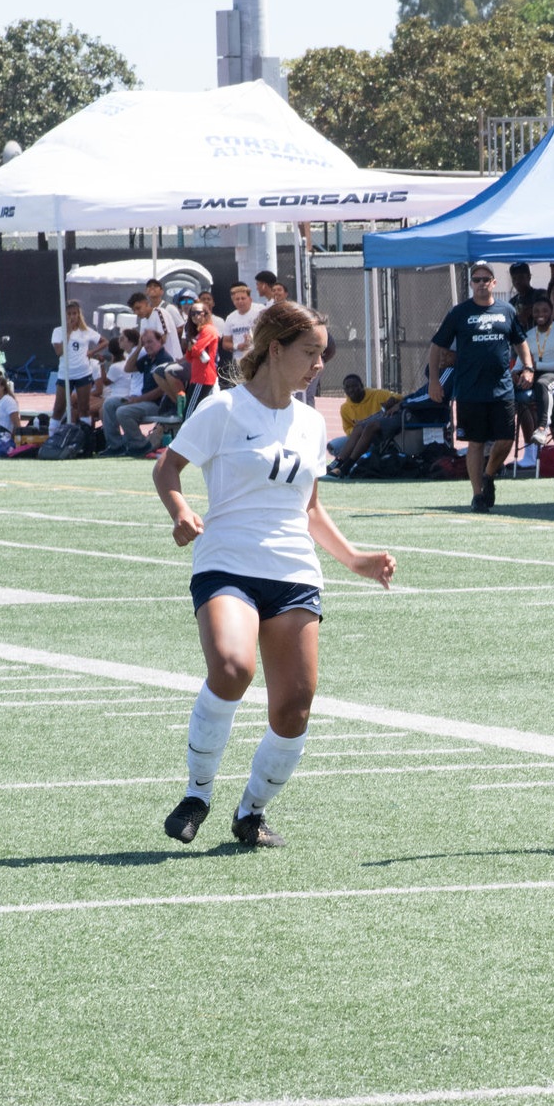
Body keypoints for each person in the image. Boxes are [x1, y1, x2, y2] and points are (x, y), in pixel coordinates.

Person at [154, 300, 396, 850]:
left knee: (294, 706)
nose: (319, 365)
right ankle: (196, 794)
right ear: (276, 348)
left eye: (323, 355)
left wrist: (356, 559)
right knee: (233, 668)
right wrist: (182, 512)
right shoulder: (221, 409)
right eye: (310, 352)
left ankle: (252, 812)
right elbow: (167, 467)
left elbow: (309, 509)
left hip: (292, 572)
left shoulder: (312, 422)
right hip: (227, 563)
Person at [427, 262, 532, 511]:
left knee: (506, 440)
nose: (482, 283)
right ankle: (478, 495)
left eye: (486, 279)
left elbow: (521, 342)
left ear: (494, 283)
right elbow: (436, 347)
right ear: (471, 284)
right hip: (470, 389)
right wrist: (434, 380)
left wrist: (527, 367)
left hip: (502, 387)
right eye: (477, 279)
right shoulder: (459, 313)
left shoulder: (506, 310)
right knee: (475, 443)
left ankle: (489, 475)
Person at [521, 294, 554, 441]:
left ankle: (542, 428)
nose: (540, 314)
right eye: (536, 311)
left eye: (544, 310)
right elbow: (521, 362)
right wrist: (515, 372)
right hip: (535, 372)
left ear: (551, 312)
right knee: (510, 386)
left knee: (542, 383)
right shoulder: (529, 335)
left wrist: (536, 365)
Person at [52, 301, 103, 426]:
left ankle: (86, 435)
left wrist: (92, 352)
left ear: (79, 315)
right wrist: (68, 333)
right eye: (69, 314)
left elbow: (104, 341)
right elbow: (59, 352)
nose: (72, 317)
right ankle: (52, 435)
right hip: (65, 374)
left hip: (83, 373)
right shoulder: (58, 331)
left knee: (84, 408)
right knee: (59, 407)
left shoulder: (86, 331)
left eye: (74, 313)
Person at [330, 373, 398, 464]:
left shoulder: (377, 394)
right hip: (358, 437)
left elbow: (399, 397)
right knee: (333, 445)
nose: (351, 390)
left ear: (361, 386)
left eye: (354, 386)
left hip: (379, 437)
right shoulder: (345, 408)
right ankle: (347, 462)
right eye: (347, 387)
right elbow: (347, 428)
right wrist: (355, 430)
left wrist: (392, 400)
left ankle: (352, 461)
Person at [181, 296, 220, 407]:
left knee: (189, 412)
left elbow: (197, 350)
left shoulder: (209, 329)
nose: (195, 316)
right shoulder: (197, 333)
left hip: (204, 377)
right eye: (192, 313)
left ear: (205, 313)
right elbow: (189, 357)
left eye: (198, 313)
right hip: (197, 376)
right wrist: (192, 346)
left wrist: (193, 346)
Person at [220, 281, 260, 381]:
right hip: (239, 362)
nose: (240, 301)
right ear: (233, 301)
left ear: (250, 299)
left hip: (258, 359)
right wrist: (238, 346)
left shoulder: (260, 311)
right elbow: (225, 343)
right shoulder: (230, 318)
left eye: (243, 298)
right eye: (237, 299)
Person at [136, 280, 183, 359]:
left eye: (155, 286)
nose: (152, 288)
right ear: (146, 292)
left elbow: (181, 327)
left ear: (161, 292)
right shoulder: (145, 314)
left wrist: (170, 332)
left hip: (171, 355)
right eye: (149, 286)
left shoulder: (169, 308)